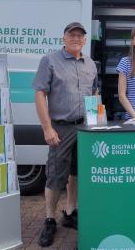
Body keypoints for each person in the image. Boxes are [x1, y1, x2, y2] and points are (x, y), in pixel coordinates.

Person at [32, 22, 98, 247]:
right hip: (60, 128)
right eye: (72, 35)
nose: (76, 38)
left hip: (85, 128)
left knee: (76, 172)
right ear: (64, 38)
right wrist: (47, 128)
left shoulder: (90, 64)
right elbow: (40, 94)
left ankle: (70, 213)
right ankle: (49, 219)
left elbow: (94, 93)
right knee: (55, 176)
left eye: (80, 36)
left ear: (85, 40)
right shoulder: (50, 61)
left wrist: (97, 120)